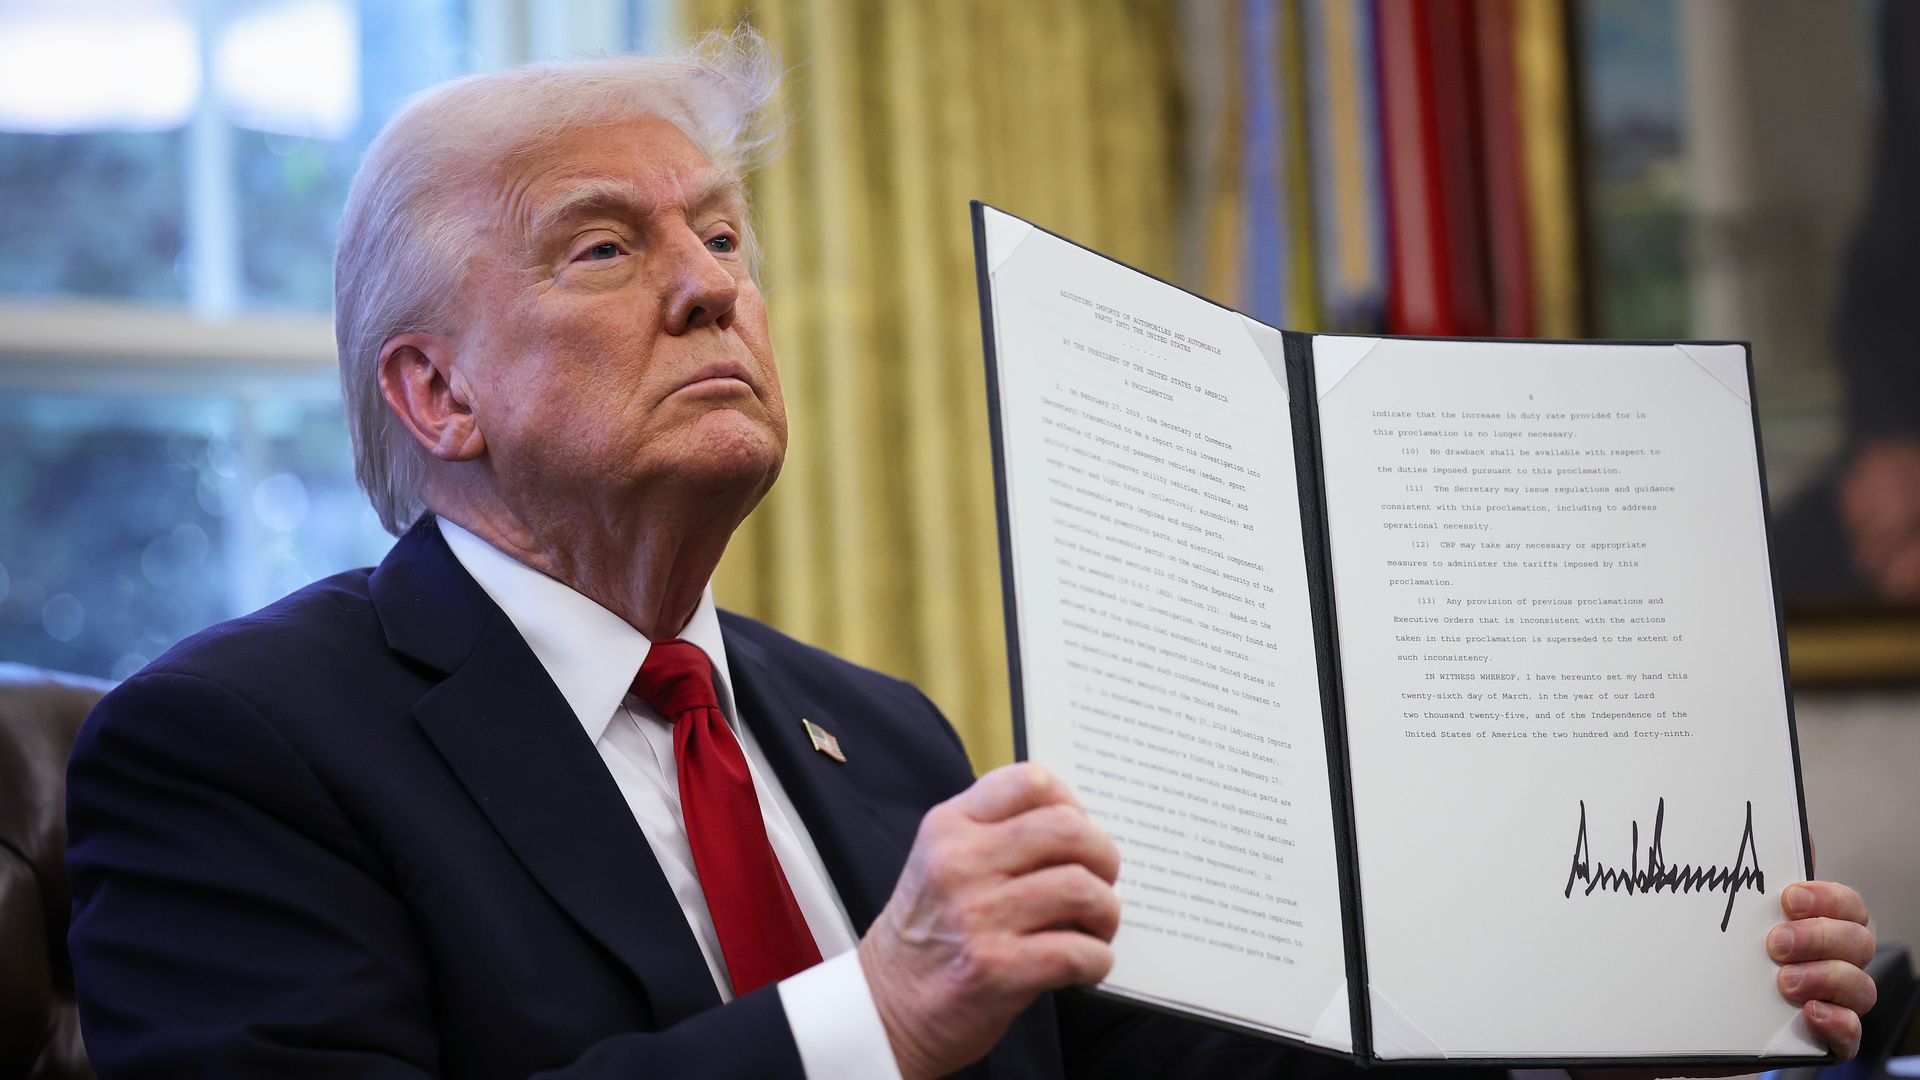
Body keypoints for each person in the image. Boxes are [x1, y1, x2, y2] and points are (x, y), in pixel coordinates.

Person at [66, 30, 1876, 1080]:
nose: (713, 282)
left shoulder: (887, 740)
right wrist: (876, 1013)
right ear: (434, 391)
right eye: (605, 250)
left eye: (720, 233)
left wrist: (1631, 1018)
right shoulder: (234, 746)